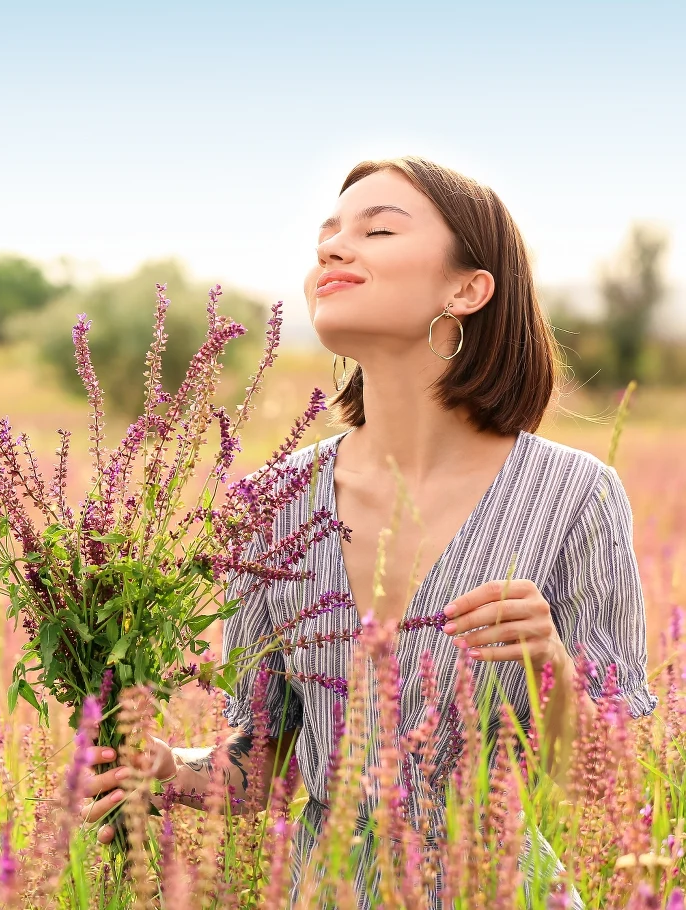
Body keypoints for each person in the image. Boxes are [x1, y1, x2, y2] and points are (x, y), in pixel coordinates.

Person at [78, 156, 655, 908]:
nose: (333, 248)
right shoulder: (272, 503)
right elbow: (262, 769)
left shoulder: (575, 496)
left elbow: (606, 781)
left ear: (468, 288)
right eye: (328, 235)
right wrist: (162, 769)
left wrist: (549, 663)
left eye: (377, 229)